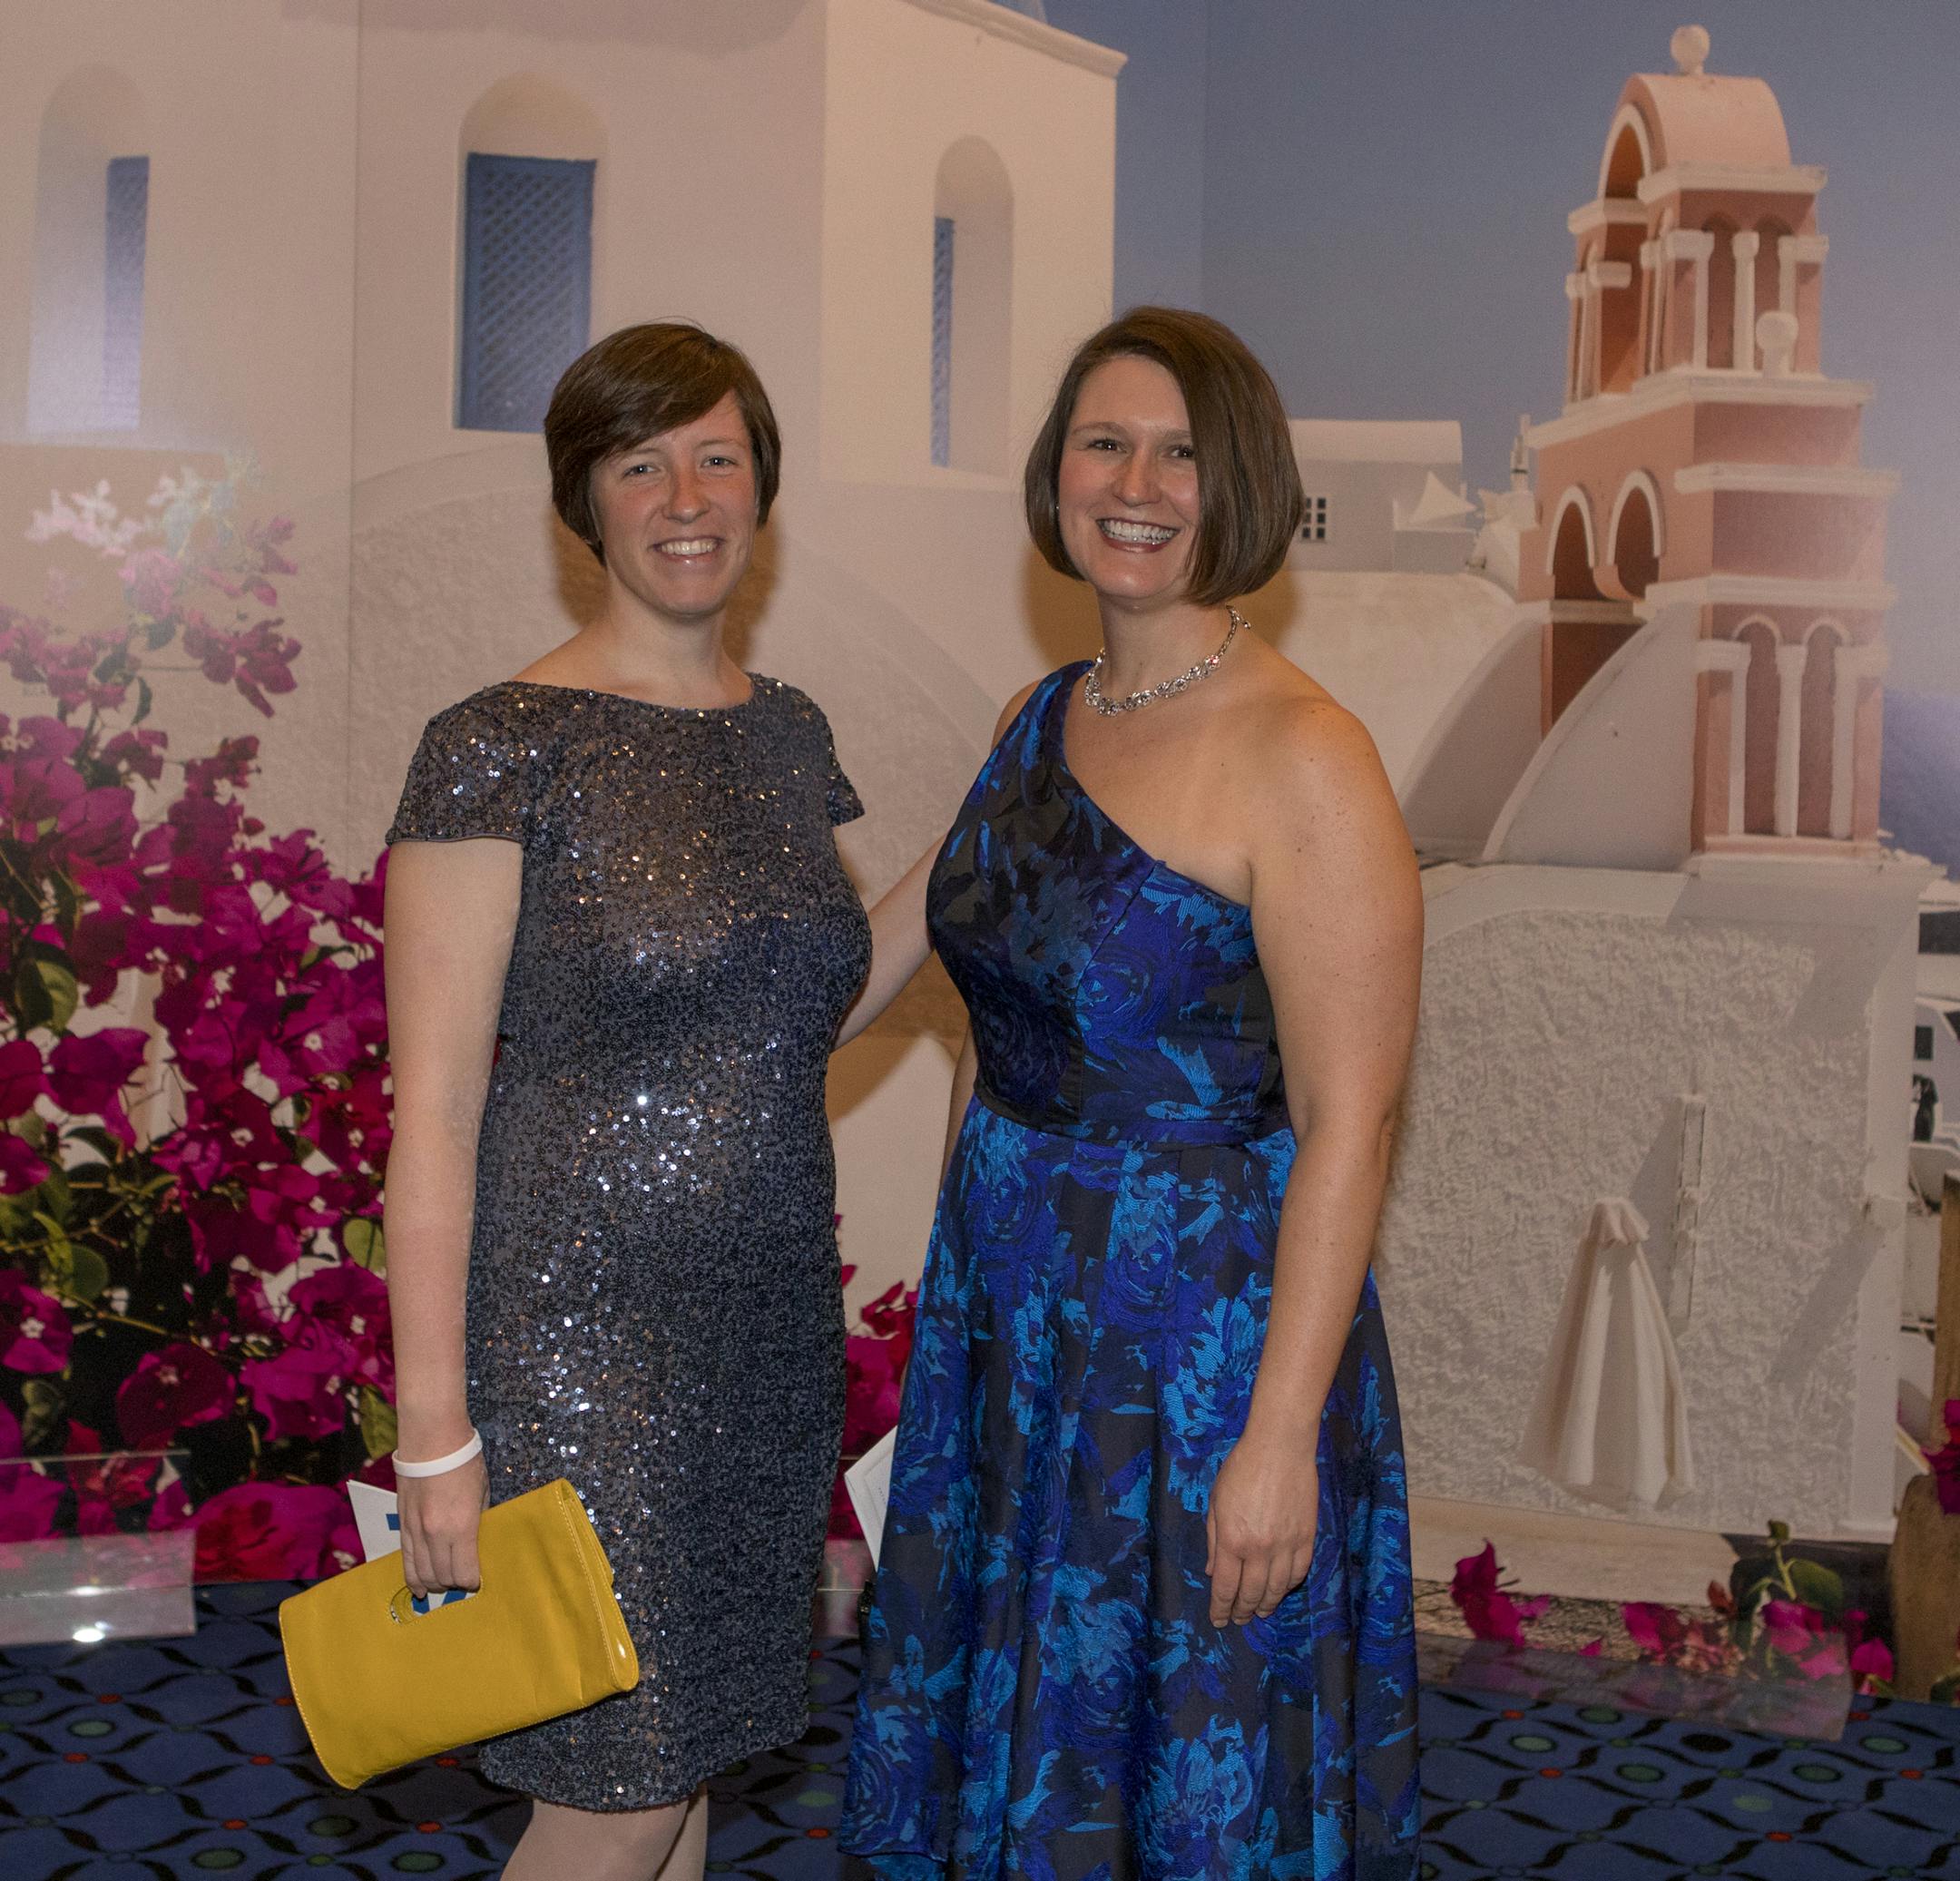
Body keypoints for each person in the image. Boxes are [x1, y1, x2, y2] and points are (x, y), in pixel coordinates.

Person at [836, 307, 1424, 1876]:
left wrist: (1278, 1437)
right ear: (1058, 473)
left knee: (1184, 1755)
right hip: (1009, 1326)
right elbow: (938, 995)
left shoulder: (1310, 755)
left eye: (1179, 452)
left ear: (1241, 483)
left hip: (1197, 1349)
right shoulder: (1038, 717)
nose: (1138, 484)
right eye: (1105, 443)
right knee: (1021, 1733)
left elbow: (1351, 1124)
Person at [381, 322, 870, 1881]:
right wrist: (434, 1432)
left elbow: (791, 1008)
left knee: (690, 1754)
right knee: (618, 1786)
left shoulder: (790, 734)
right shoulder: (498, 745)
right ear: (584, 500)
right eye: (641, 463)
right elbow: (432, 1116)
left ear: (762, 488)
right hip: (582, 1345)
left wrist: (999, 820)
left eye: (718, 457)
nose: (686, 496)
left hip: (765, 1335)